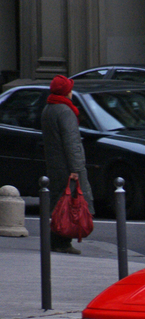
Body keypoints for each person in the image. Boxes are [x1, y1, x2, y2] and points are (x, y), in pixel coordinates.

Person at [41, 75, 94, 254]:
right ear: (66, 92)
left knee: (59, 204)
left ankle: (56, 241)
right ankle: (62, 242)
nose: (72, 93)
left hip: (55, 164)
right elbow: (72, 142)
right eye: (70, 89)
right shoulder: (65, 111)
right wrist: (76, 168)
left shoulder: (49, 108)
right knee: (71, 205)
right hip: (67, 165)